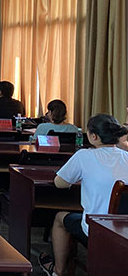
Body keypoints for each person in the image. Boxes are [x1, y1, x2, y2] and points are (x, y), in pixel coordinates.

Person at [39, 114, 128, 276]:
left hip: (97, 230)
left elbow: (60, 183)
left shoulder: (84, 156)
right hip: (124, 232)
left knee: (60, 218)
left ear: (94, 136)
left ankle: (58, 271)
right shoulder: (126, 157)